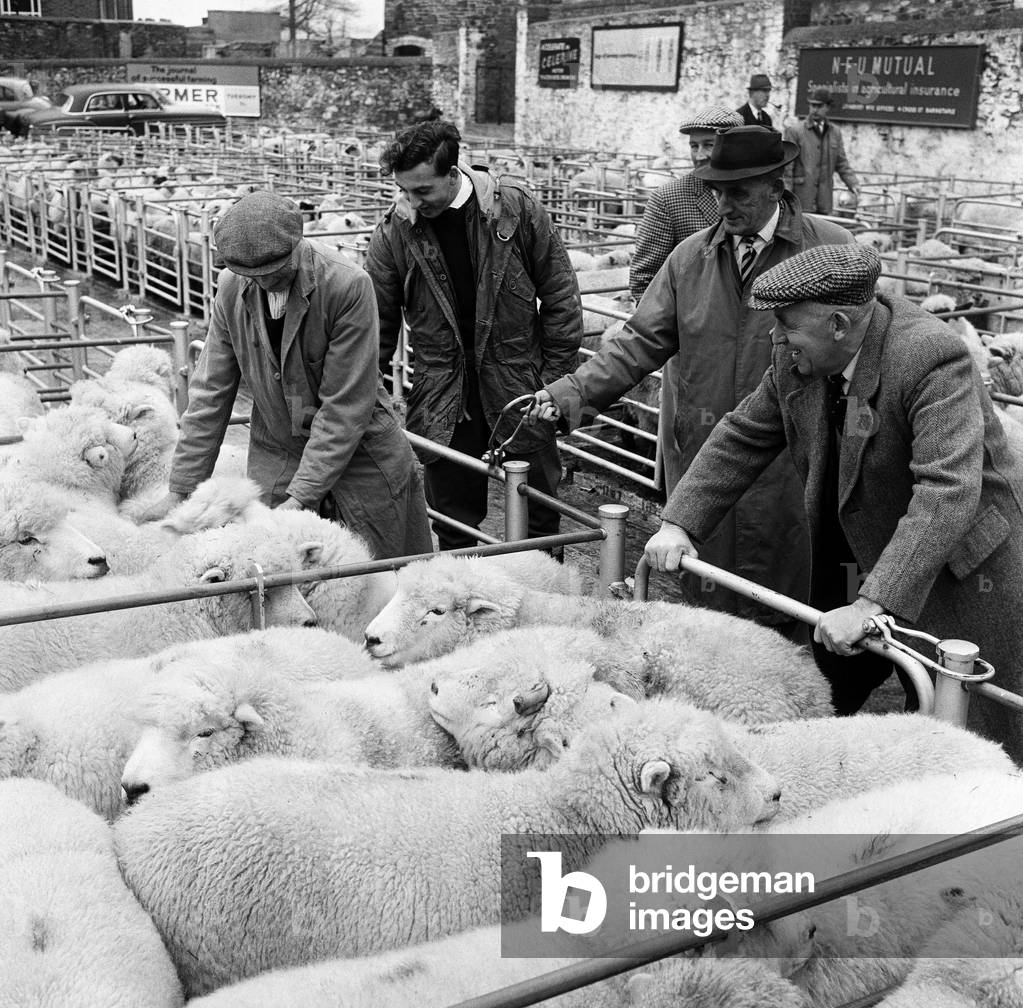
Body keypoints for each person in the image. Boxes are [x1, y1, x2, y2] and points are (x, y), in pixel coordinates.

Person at [645, 243, 1023, 758]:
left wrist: (873, 604)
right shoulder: (794, 356)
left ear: (840, 325)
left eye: (787, 323)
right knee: (821, 693)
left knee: (963, 720)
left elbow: (946, 491)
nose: (776, 335)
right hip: (852, 555)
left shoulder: (931, 358)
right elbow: (743, 436)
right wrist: (679, 523)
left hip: (951, 569)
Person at [527, 127, 853, 630]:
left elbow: (861, 338)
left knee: (790, 596)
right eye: (715, 191)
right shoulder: (690, 258)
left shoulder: (828, 248)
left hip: (792, 457)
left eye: (737, 191)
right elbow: (638, 341)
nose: (723, 204)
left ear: (774, 184)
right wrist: (569, 395)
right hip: (703, 451)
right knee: (706, 597)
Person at [143, 190, 432, 561]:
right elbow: (210, 390)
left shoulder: (347, 285)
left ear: (297, 246)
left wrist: (301, 498)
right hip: (278, 451)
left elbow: (344, 405)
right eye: (250, 275)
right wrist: (180, 489)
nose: (262, 283)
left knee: (371, 576)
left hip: (360, 459)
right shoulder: (233, 288)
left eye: (272, 271)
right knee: (278, 577)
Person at [365, 120, 582, 553]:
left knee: (536, 509)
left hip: (520, 386)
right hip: (443, 389)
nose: (412, 201)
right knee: (452, 518)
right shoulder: (396, 229)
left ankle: (541, 603)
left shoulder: (516, 211)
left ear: (452, 172)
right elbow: (377, 321)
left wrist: (555, 382)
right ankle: (462, 608)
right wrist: (375, 397)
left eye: (422, 190)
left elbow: (560, 295)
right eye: (404, 190)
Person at [629, 104, 744, 493]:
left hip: (752, 351)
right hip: (693, 351)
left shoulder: (759, 195)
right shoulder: (670, 199)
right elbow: (643, 277)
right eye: (693, 145)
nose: (698, 154)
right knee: (691, 444)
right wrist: (677, 331)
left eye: (708, 144)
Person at [783, 88, 860, 215]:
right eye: (812, 105)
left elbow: (842, 164)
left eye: (819, 106)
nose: (814, 110)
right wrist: (786, 196)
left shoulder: (835, 132)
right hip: (801, 198)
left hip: (824, 200)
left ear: (828, 107)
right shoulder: (795, 131)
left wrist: (853, 183)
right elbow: (787, 169)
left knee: (821, 233)